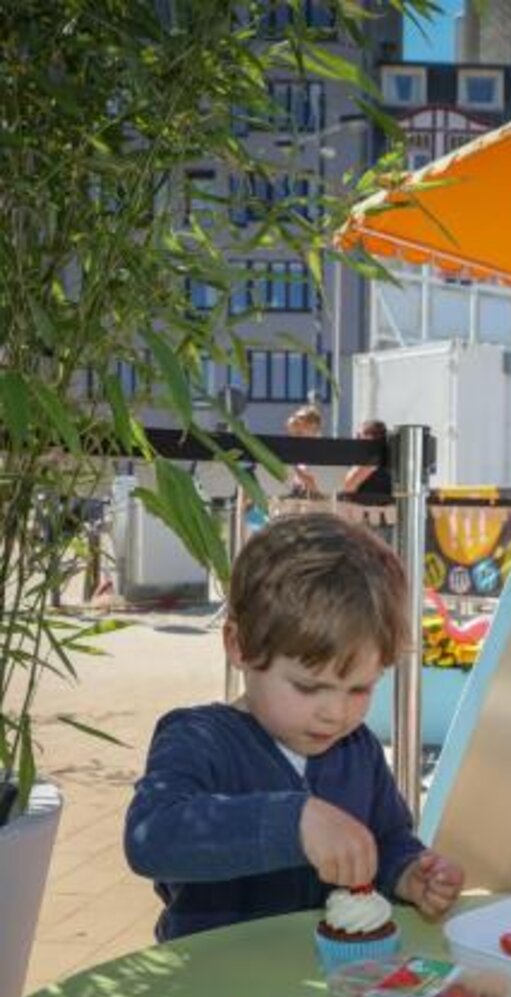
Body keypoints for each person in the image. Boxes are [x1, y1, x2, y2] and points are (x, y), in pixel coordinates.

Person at [125, 511, 463, 941]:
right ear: (239, 646)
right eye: (308, 687)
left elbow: (388, 837)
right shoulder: (199, 739)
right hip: (213, 982)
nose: (336, 713)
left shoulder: (357, 750)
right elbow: (150, 837)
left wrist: (409, 872)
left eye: (359, 688)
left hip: (326, 980)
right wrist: (294, 821)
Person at [341, 419, 393, 499]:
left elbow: (348, 488)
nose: (356, 439)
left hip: (366, 507)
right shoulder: (384, 459)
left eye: (359, 435)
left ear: (370, 437)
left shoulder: (370, 461)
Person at [284, 402, 324, 499]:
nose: (298, 422)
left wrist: (293, 468)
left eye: (302, 419)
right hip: (297, 500)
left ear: (314, 427)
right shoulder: (298, 449)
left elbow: (315, 485)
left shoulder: (319, 449)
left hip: (313, 503)